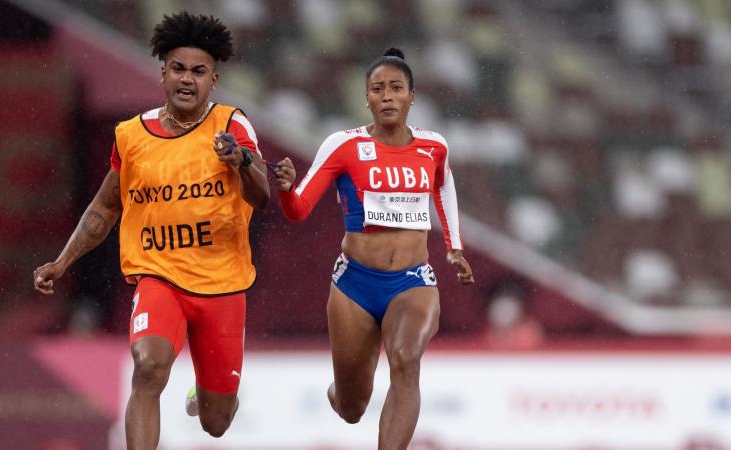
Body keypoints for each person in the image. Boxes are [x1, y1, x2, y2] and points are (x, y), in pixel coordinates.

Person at [32, 12, 269, 449]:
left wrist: (241, 162)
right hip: (158, 277)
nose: (186, 79)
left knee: (217, 421)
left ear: (213, 81)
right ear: (162, 73)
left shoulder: (232, 126)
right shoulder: (131, 136)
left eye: (198, 72)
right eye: (178, 68)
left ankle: (205, 389)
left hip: (221, 284)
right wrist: (62, 262)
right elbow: (105, 206)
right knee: (148, 367)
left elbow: (262, 195)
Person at [272, 47, 474, 449]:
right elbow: (298, 210)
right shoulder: (343, 146)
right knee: (352, 408)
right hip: (355, 286)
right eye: (377, 89)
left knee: (406, 360)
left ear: (411, 96)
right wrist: (284, 190)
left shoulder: (434, 147)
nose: (386, 96)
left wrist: (454, 248)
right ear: (365, 97)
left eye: (396, 88)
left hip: (412, 280)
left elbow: (443, 185)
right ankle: (340, 389)